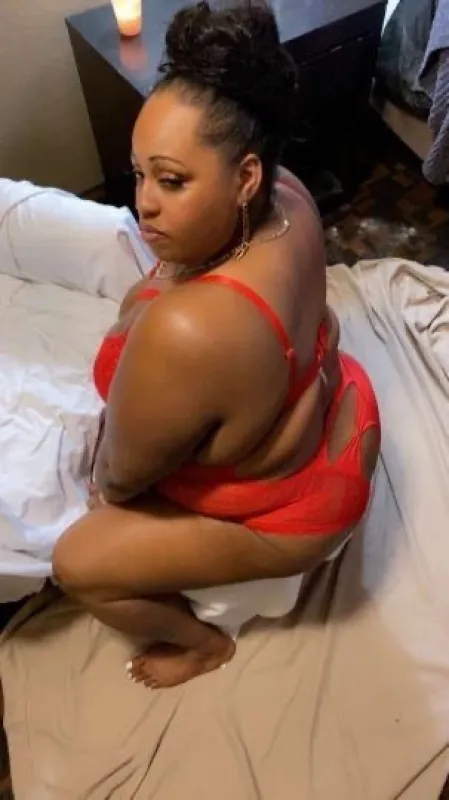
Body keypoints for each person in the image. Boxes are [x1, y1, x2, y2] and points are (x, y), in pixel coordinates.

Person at [52, 1, 380, 689]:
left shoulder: (191, 329)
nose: (143, 203)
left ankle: (204, 646)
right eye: (139, 174)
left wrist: (107, 485)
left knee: (77, 565)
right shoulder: (290, 194)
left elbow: (120, 478)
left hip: (292, 512)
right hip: (336, 412)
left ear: (245, 177)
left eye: (171, 181)